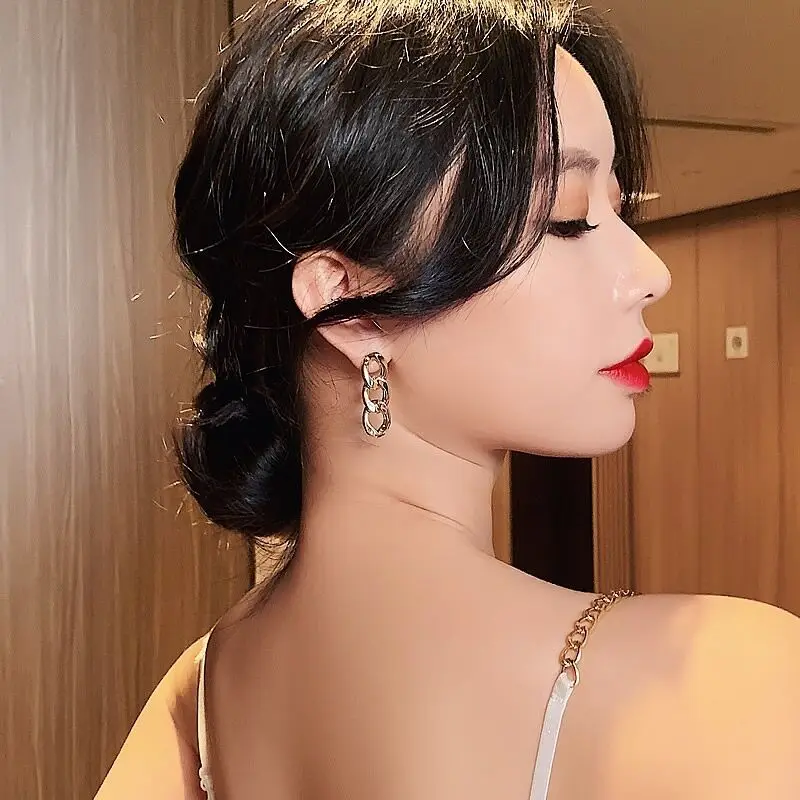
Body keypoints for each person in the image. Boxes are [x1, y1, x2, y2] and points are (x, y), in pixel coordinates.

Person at [96, 1, 800, 798]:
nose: (650, 272)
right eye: (568, 217)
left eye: (620, 206)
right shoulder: (722, 681)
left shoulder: (199, 697)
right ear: (351, 304)